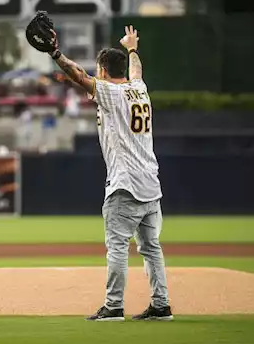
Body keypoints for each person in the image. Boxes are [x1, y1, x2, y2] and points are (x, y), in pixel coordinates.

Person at [47, 23, 173, 322]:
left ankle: (114, 306)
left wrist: (55, 52)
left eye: (98, 68)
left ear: (103, 70)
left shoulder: (110, 93)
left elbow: (78, 76)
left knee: (117, 247)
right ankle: (161, 304)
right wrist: (132, 48)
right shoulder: (138, 89)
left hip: (125, 185)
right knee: (151, 248)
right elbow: (138, 72)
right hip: (150, 184)